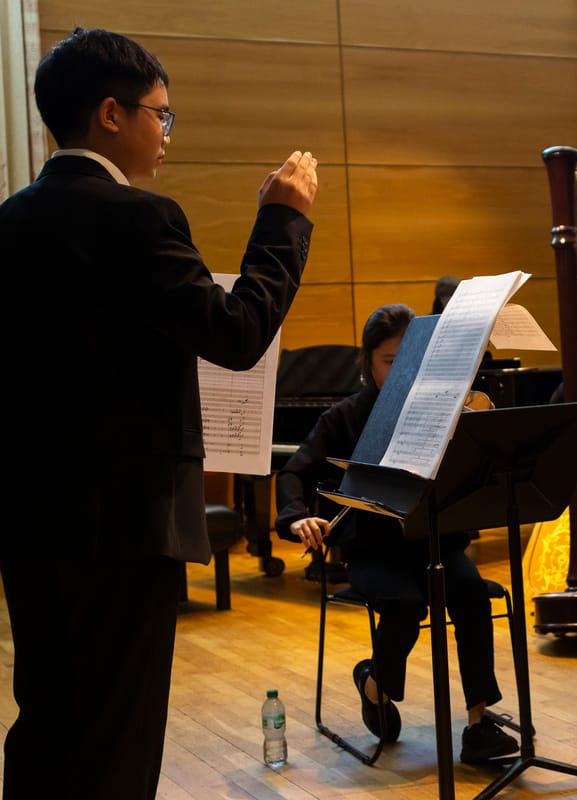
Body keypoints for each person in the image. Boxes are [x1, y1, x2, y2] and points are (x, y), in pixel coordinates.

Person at [0, 27, 318, 800]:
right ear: (112, 113)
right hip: (124, 525)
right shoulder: (136, 217)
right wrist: (283, 221)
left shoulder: (10, 220)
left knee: (49, 720)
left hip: (32, 521)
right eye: (161, 115)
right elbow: (238, 334)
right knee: (117, 737)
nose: (167, 134)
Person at [274, 304, 519, 764]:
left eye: (412, 358)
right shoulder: (345, 417)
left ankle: (478, 722)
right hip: (374, 552)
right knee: (406, 603)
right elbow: (293, 474)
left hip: (436, 541)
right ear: (367, 362)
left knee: (468, 591)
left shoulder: (443, 410)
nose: (402, 369)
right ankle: (373, 683)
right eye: (390, 360)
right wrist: (294, 517)